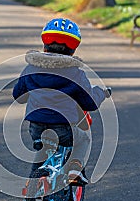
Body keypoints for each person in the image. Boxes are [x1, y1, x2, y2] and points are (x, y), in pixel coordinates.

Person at [12, 18, 111, 184]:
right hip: (64, 127)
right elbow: (90, 103)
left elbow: (18, 96)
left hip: (36, 127)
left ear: (44, 46)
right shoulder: (75, 74)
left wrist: (34, 92)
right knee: (82, 139)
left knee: (43, 148)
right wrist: (101, 93)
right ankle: (74, 169)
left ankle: (32, 182)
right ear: (73, 51)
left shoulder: (30, 69)